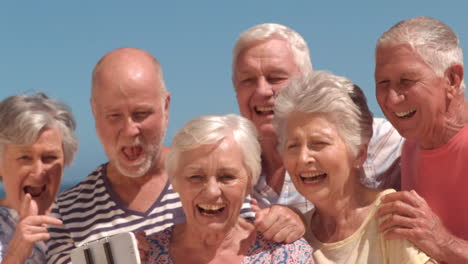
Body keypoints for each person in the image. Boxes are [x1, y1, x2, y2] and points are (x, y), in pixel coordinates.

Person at [46, 47, 305, 264]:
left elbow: (271, 224)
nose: (129, 129)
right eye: (114, 116)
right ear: (94, 113)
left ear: (166, 107)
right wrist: (107, 257)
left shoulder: (223, 170)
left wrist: (297, 217)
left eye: (141, 114)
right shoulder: (66, 213)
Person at [232, 23, 403, 213]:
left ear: (306, 79)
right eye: (247, 80)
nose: (262, 90)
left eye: (275, 78)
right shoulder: (227, 166)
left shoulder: (375, 139)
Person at [273, 71, 432, 263]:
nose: (303, 157)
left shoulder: (391, 217)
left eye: (319, 143)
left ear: (359, 153)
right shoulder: (294, 236)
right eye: (293, 146)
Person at [146, 114, 313, 263]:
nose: (212, 192)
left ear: (250, 182)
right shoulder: (145, 254)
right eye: (196, 177)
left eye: (226, 177)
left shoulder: (282, 254)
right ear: (175, 182)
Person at [374, 16, 468, 263]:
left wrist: (443, 242)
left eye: (407, 81)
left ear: (452, 80)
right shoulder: (410, 147)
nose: (392, 99)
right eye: (383, 83)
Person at [0, 93, 78, 263]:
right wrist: (16, 254)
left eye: (49, 158)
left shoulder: (82, 217)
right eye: (25, 158)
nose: (38, 171)